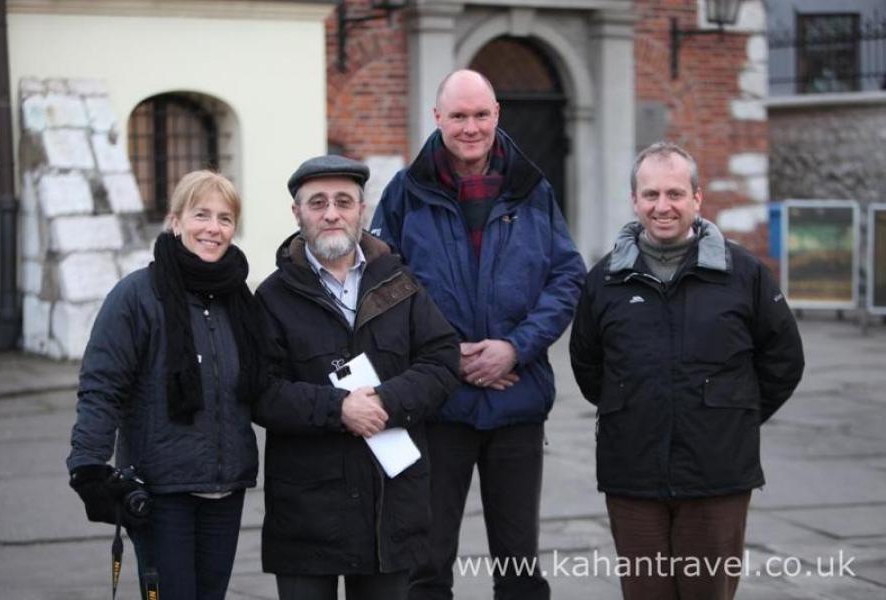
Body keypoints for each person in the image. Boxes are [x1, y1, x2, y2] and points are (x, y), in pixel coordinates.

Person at [371, 69, 586, 600]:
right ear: (437, 117)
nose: (471, 127)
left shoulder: (531, 187)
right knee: (426, 565)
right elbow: (381, 287)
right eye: (459, 115)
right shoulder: (404, 193)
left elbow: (567, 276)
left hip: (516, 402)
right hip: (436, 406)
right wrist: (446, 356)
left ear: (497, 115)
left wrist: (517, 346)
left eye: (481, 114)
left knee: (518, 569)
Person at [569, 141, 805, 600]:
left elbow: (784, 359)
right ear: (634, 201)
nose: (663, 206)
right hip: (632, 475)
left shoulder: (744, 274)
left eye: (675, 194)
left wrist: (732, 414)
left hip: (717, 476)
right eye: (651, 195)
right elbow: (588, 365)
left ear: (697, 199)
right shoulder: (604, 281)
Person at [253, 155, 460, 600]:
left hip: (390, 509)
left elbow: (442, 360)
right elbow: (260, 390)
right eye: (318, 203)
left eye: (344, 201)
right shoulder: (272, 297)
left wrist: (386, 402)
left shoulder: (401, 283)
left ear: (361, 210)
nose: (332, 213)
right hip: (307, 514)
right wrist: (339, 409)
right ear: (297, 213)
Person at [67, 170, 260, 600]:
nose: (213, 227)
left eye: (225, 218)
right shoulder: (136, 296)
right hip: (161, 491)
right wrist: (89, 467)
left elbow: (262, 385)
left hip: (226, 489)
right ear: (175, 222)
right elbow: (102, 386)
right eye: (201, 214)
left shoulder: (239, 299)